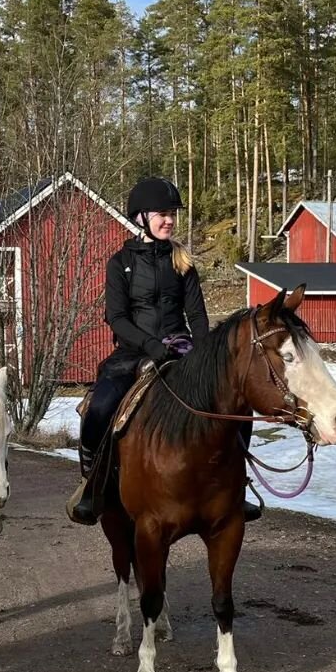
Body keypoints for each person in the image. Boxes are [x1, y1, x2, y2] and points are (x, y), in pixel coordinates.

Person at [68, 177, 261, 526]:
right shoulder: (119, 263)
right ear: (141, 217)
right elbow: (117, 317)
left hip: (181, 349)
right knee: (99, 407)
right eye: (162, 213)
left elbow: (197, 315)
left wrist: (206, 355)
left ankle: (238, 488)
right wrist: (150, 346)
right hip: (131, 354)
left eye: (172, 214)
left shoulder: (183, 262)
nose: (169, 220)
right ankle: (91, 486)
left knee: (236, 407)